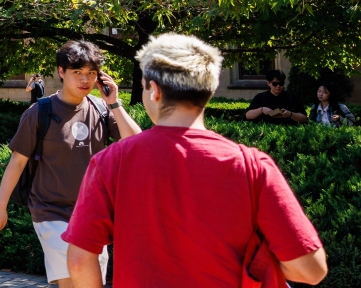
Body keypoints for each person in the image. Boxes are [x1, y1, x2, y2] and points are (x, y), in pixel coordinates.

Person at [64, 33, 327, 287]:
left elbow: (78, 260)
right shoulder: (253, 166)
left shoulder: (111, 162)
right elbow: (311, 270)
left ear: (154, 90)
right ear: (208, 91)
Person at [0, 40, 141, 288]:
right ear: (61, 72)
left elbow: (136, 143)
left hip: (93, 213)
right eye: (77, 72)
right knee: (73, 278)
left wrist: (114, 103)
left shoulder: (101, 109)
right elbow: (17, 161)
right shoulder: (39, 112)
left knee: (90, 283)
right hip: (50, 211)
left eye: (91, 73)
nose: (85, 80)